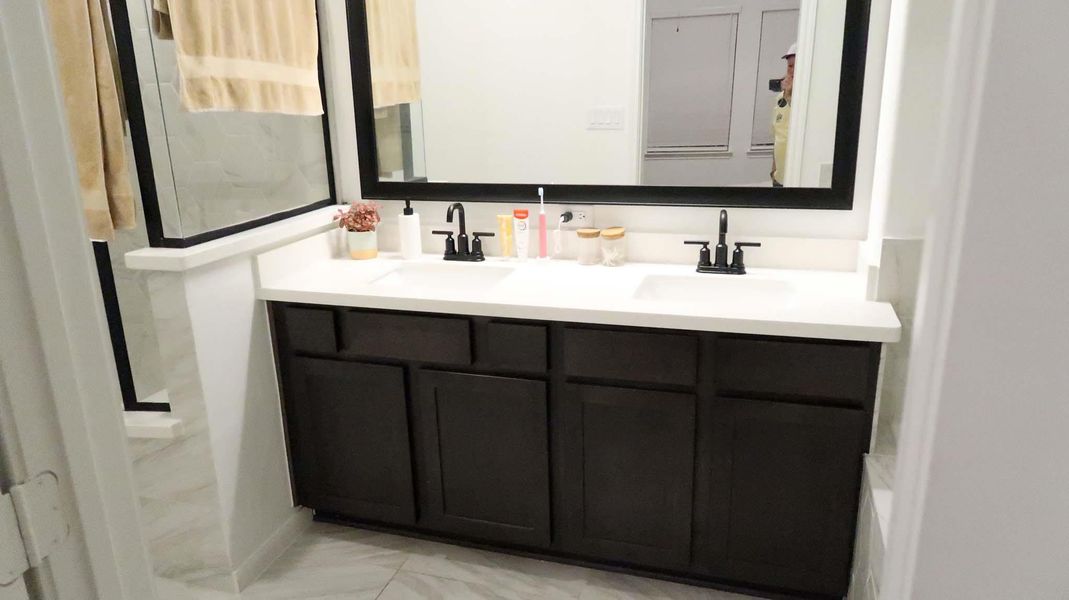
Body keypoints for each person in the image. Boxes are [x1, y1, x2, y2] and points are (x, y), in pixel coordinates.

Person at [771, 43, 796, 187]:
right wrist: (773, 171)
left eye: (795, 66)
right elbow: (777, 135)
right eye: (789, 66)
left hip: (795, 180)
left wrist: (790, 96)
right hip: (779, 179)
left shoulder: (808, 101)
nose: (791, 71)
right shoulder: (779, 98)